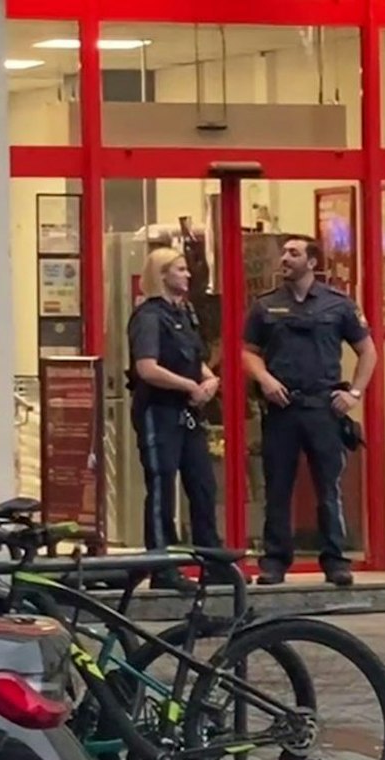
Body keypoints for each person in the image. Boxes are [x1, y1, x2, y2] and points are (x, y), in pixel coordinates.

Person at [242, 235, 378, 586]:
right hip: (283, 406)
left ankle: (335, 560)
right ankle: (275, 561)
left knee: (329, 487)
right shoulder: (265, 305)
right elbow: (248, 352)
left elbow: (368, 351)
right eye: (284, 253)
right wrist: (265, 380)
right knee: (277, 487)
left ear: (313, 263)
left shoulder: (339, 305)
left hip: (323, 406)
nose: (285, 258)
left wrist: (354, 393)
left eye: (294, 253)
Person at [126, 247, 221, 590]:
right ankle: (162, 567)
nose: (188, 274)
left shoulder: (184, 313)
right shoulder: (149, 317)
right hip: (159, 411)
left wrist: (209, 379)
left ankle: (213, 562)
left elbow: (194, 357)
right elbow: (147, 367)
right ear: (162, 274)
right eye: (180, 269)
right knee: (162, 487)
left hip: (187, 412)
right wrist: (189, 386)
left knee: (203, 485)